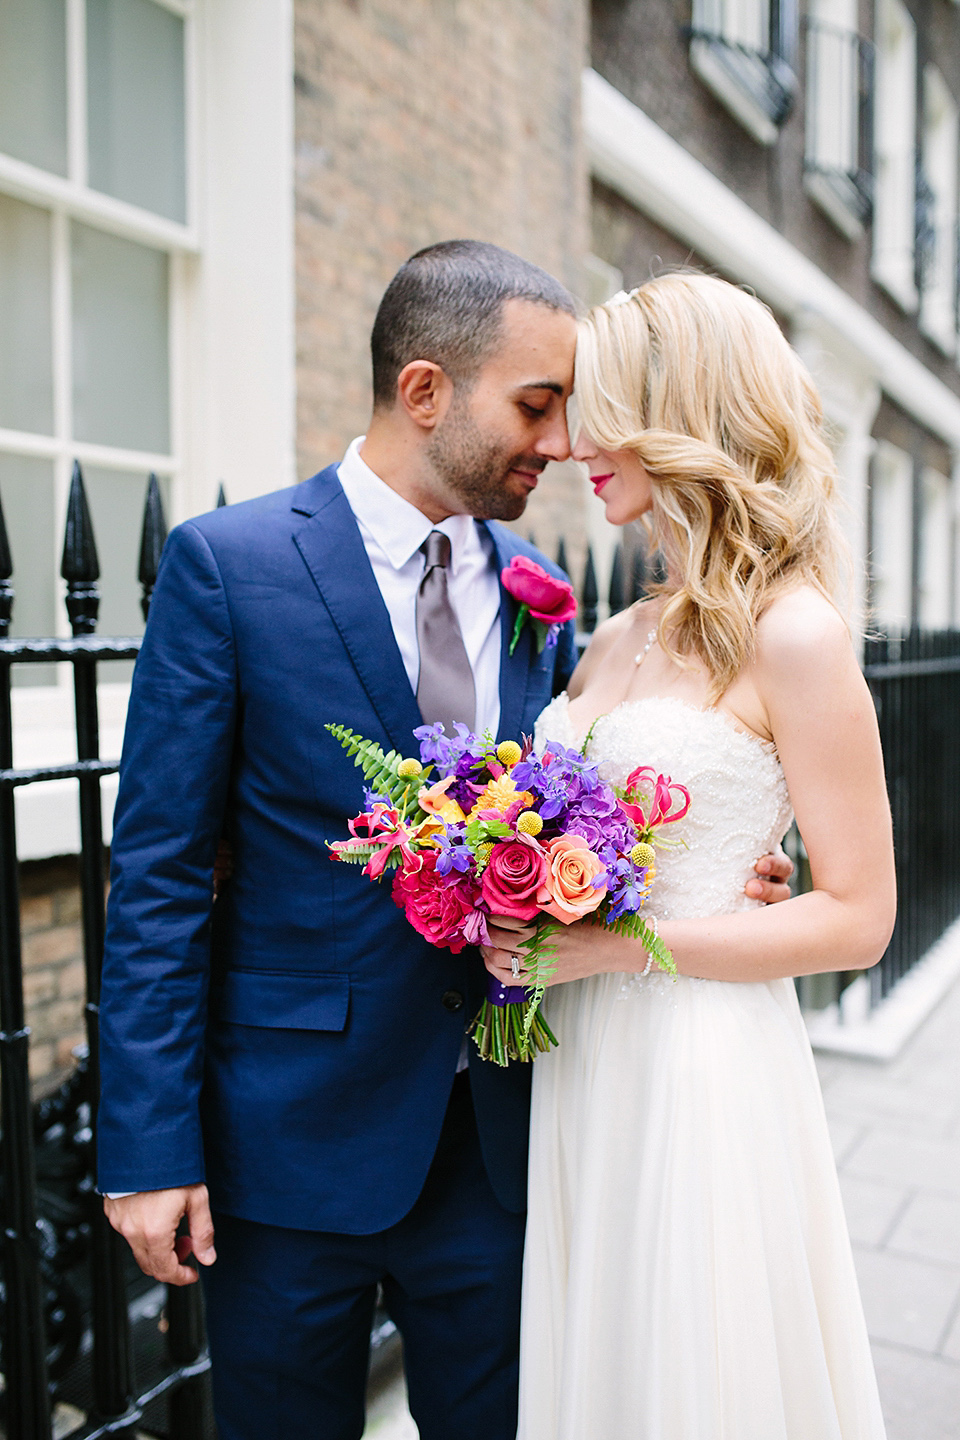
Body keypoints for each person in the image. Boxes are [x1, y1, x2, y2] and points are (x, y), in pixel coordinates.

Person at [98, 244, 793, 1440]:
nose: (566, 441)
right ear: (426, 392)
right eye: (538, 404)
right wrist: (148, 1147)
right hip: (287, 1149)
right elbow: (158, 877)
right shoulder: (232, 567)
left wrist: (703, 880)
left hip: (508, 1141)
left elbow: (585, 806)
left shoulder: (540, 591)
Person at [483, 273, 895, 1439]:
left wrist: (613, 944)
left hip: (697, 1059)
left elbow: (860, 916)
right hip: (584, 1055)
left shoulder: (796, 634)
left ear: (680, 413)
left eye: (593, 409)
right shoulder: (614, 633)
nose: (564, 445)